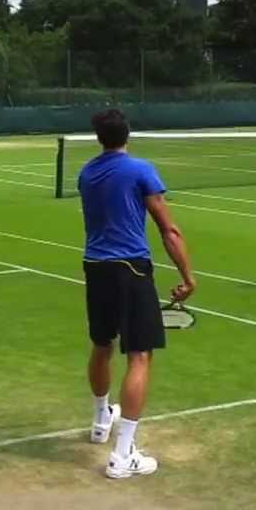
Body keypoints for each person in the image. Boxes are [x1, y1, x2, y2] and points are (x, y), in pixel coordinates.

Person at [78, 108, 195, 479]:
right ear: (127, 134)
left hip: (95, 268)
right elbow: (169, 230)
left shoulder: (86, 173)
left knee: (102, 345)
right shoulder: (140, 170)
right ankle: (122, 455)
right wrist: (188, 277)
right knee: (139, 356)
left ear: (100, 138)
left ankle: (101, 422)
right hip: (130, 269)